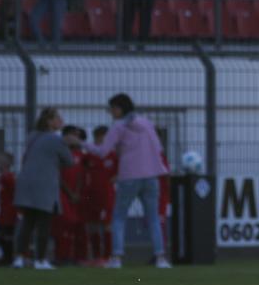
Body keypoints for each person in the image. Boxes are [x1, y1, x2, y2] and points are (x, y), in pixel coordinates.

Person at [83, 93, 171, 269]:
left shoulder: (118, 127)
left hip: (129, 176)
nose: (110, 113)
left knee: (119, 218)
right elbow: (159, 147)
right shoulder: (146, 123)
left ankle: (117, 258)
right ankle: (160, 258)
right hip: (152, 176)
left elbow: (102, 151)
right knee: (153, 218)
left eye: (111, 109)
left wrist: (82, 144)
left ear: (118, 108)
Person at [11, 108, 77, 270]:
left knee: (27, 222)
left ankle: (19, 258)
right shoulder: (56, 140)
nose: (61, 121)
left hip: (26, 183)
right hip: (45, 185)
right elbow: (69, 161)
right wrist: (69, 145)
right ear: (50, 121)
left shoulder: (32, 137)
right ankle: (40, 260)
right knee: (44, 223)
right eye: (57, 118)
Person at [82, 126, 117, 264]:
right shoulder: (89, 155)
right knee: (92, 225)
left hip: (107, 195)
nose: (100, 140)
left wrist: (116, 178)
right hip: (91, 196)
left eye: (103, 137)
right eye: (98, 137)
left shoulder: (113, 155)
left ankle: (107, 257)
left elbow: (121, 171)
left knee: (107, 224)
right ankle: (96, 257)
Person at [52, 125, 86, 265]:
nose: (75, 138)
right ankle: (62, 256)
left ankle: (79, 257)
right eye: (73, 135)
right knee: (64, 224)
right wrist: (70, 192)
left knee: (79, 226)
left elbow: (81, 176)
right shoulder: (60, 153)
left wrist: (76, 192)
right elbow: (58, 175)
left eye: (77, 135)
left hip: (78, 195)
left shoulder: (82, 155)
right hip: (63, 194)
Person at [0, 152, 17, 266]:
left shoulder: (8, 177)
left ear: (5, 164)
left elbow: (14, 193)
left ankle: (8, 258)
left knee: (6, 235)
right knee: (2, 235)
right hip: (3, 212)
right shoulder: (3, 177)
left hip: (9, 212)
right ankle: (5, 257)